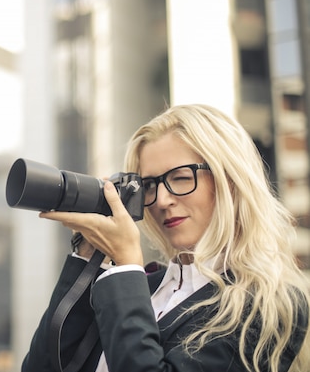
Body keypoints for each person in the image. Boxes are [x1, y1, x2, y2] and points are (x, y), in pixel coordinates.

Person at [22, 104, 310, 372]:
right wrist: (86, 255)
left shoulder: (269, 305)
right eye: (149, 185)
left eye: (181, 178)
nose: (161, 200)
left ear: (230, 181)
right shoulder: (137, 288)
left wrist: (125, 265)